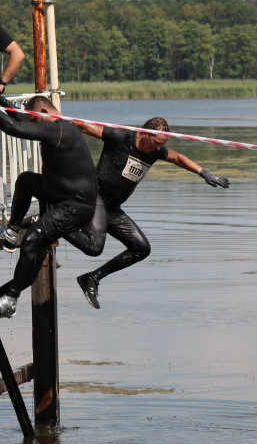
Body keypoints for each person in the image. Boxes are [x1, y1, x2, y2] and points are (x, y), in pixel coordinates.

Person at [58, 117, 230, 309]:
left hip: (113, 208)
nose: (159, 149)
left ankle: (92, 278)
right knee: (95, 246)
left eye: (162, 145)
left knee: (141, 248)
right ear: (145, 134)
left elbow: (176, 157)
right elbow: (85, 127)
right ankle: (52, 224)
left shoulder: (155, 151)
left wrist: (204, 173)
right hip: (96, 198)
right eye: (157, 144)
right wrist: (49, 122)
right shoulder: (121, 136)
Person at [0, 96, 97, 319]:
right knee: (26, 180)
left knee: (32, 240)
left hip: (74, 206)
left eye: (34, 121)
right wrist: (1, 102)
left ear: (44, 112)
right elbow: (22, 119)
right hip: (59, 193)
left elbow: (13, 127)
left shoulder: (59, 129)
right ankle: (12, 233)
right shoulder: (56, 125)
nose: (33, 128)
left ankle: (10, 302)